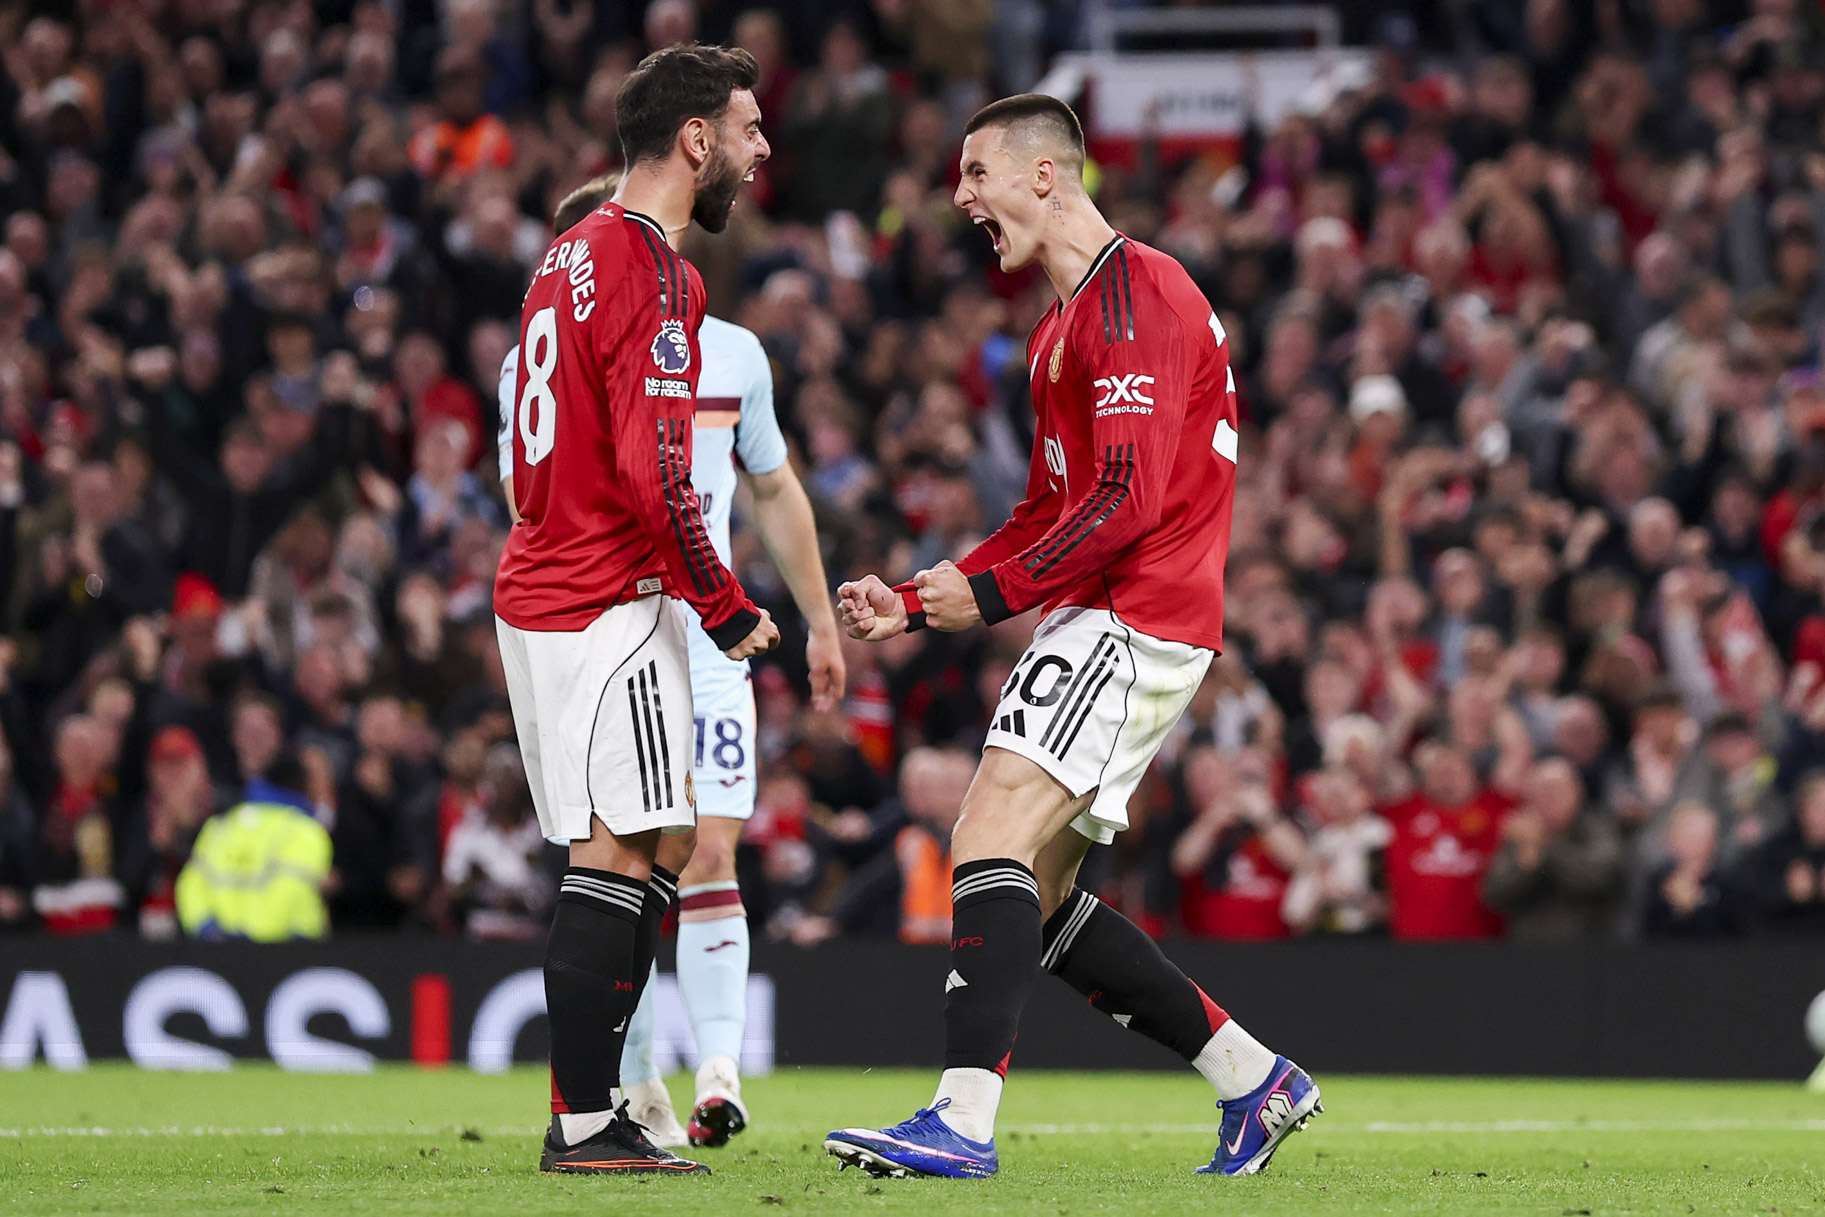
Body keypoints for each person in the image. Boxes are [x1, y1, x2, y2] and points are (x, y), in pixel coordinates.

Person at [826, 95, 1318, 1180]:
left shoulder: (1135, 295)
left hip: (1135, 612)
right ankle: (1253, 1078)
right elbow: (1053, 509)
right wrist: (920, 597)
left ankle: (958, 1118)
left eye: (975, 173)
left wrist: (990, 597)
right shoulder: (1061, 330)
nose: (959, 199)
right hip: (1113, 611)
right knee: (1037, 897)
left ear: (1046, 175)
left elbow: (1129, 503)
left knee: (986, 828)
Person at [498, 172, 845, 1150]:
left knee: (695, 842)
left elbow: (773, 490)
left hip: (695, 621)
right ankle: (622, 1089)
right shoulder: (573, 345)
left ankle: (708, 1069)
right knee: (627, 845)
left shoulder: (731, 353)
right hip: (633, 606)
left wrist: (816, 616)